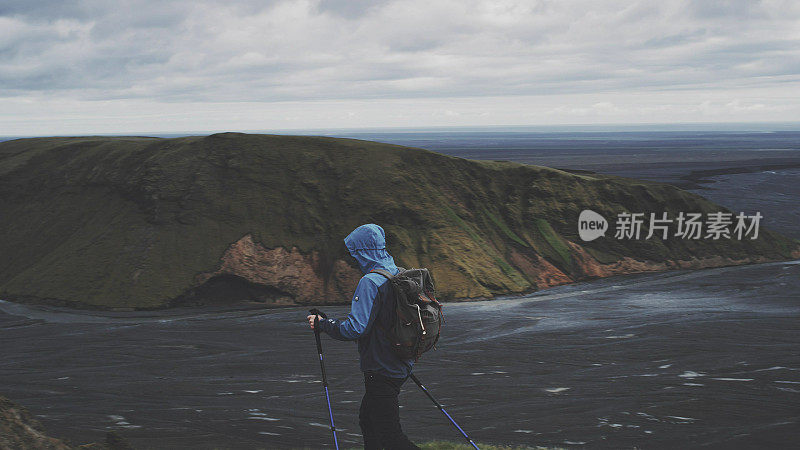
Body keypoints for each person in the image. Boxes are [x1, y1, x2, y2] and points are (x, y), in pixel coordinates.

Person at [307, 223, 420, 450]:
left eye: (354, 253)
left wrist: (323, 324)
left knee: (391, 437)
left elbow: (355, 329)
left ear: (362, 251)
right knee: (368, 422)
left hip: (381, 368)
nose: (352, 259)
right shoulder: (396, 272)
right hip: (400, 361)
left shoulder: (370, 282)